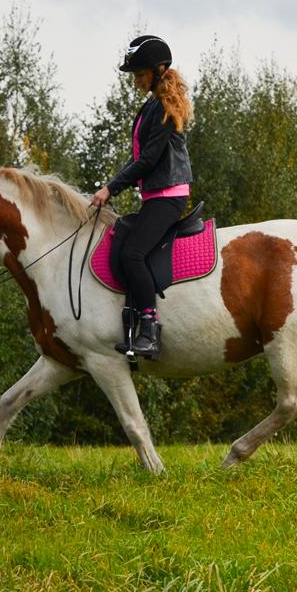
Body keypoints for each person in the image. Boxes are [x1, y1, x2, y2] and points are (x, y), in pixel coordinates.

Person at [91, 35, 194, 358]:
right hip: (155, 196)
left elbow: (148, 160)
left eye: (139, 75)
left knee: (132, 254)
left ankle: (149, 329)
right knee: (122, 240)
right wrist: (111, 185)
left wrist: (110, 188)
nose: (136, 81)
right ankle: (133, 319)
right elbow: (137, 158)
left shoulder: (164, 107)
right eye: (134, 76)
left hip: (168, 195)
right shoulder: (150, 106)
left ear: (157, 70)